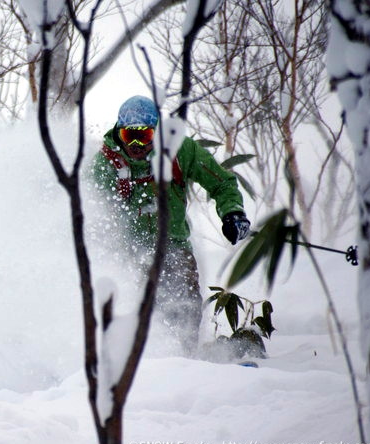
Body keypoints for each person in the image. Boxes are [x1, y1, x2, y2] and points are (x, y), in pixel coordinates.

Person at [92, 95, 251, 355]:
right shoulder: (105, 164)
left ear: (155, 132)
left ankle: (184, 363)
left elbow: (222, 183)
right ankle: (137, 366)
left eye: (142, 136)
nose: (134, 144)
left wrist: (232, 213)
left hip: (173, 248)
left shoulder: (180, 151)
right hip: (127, 256)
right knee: (137, 314)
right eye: (127, 135)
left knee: (184, 311)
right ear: (118, 132)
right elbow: (89, 213)